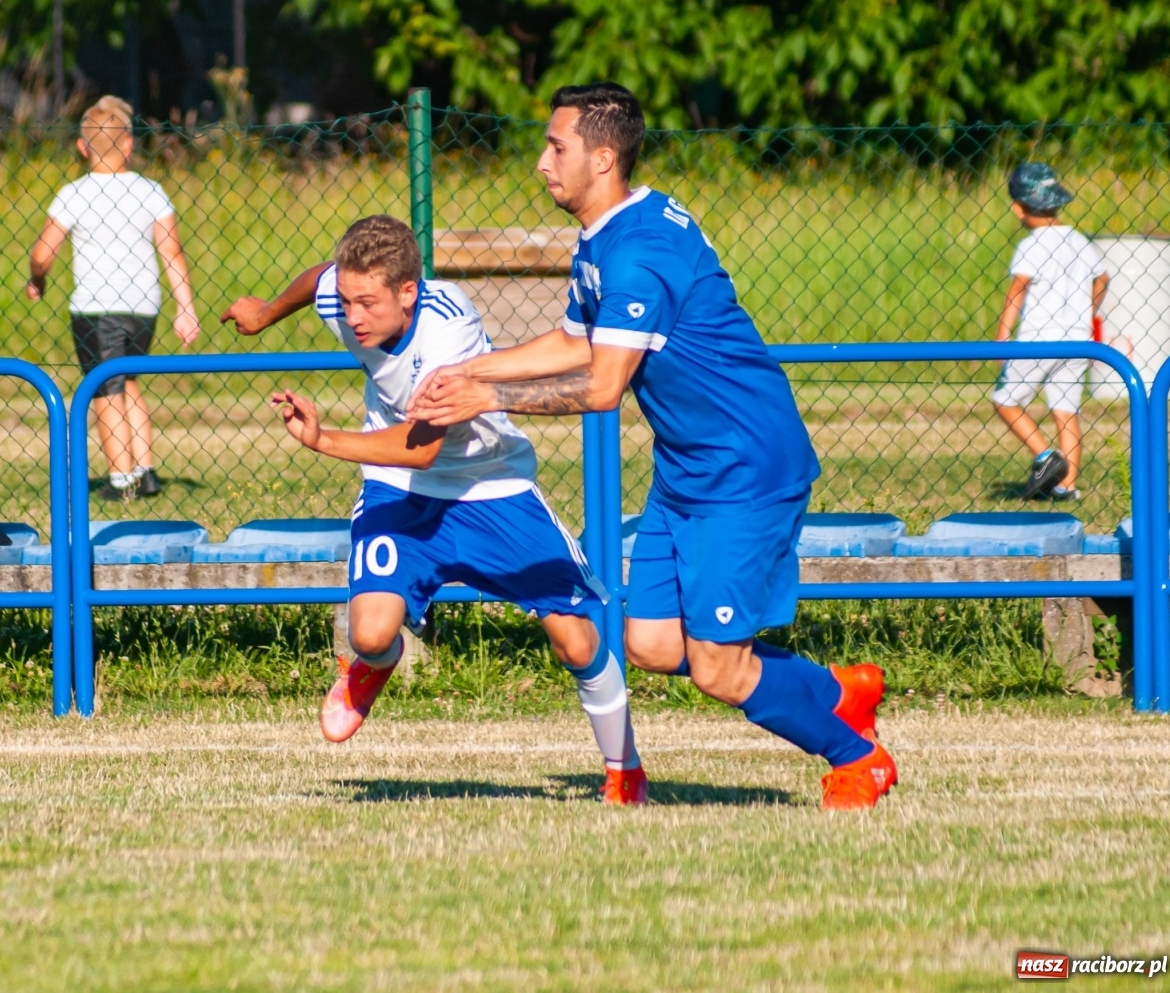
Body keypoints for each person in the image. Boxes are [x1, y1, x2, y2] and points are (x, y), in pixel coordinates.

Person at [408, 83, 896, 810]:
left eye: (557, 147)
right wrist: (472, 368)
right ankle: (834, 689)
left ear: (602, 158)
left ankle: (858, 757)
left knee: (720, 671)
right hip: (688, 468)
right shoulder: (608, 233)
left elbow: (603, 387)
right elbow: (575, 338)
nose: (542, 161)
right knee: (655, 646)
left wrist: (489, 398)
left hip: (746, 467)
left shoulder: (639, 255)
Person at [222, 214, 649, 805]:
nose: (353, 317)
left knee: (575, 643)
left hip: (488, 485)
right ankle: (377, 663)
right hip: (397, 487)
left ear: (408, 293)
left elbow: (420, 449)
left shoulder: (447, 333)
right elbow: (320, 278)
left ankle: (624, 769)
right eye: (345, 302)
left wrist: (323, 440)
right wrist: (267, 312)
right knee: (369, 634)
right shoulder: (349, 294)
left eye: (367, 304)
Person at [28, 94, 201, 501]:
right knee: (128, 381)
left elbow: (42, 253)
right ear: (128, 145)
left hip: (96, 307)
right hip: (143, 306)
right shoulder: (151, 191)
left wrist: (38, 279)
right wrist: (185, 308)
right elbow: (171, 251)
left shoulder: (74, 194)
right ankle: (146, 469)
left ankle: (121, 479)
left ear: (82, 147)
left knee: (104, 389)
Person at [991, 162, 1109, 502]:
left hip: (1037, 340)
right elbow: (1103, 278)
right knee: (1066, 411)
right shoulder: (1079, 241)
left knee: (1006, 402)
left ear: (1018, 207)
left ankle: (1046, 458)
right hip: (1077, 340)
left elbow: (1017, 290)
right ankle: (1067, 486)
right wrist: (1088, 310)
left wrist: (1002, 336)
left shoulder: (1032, 245)